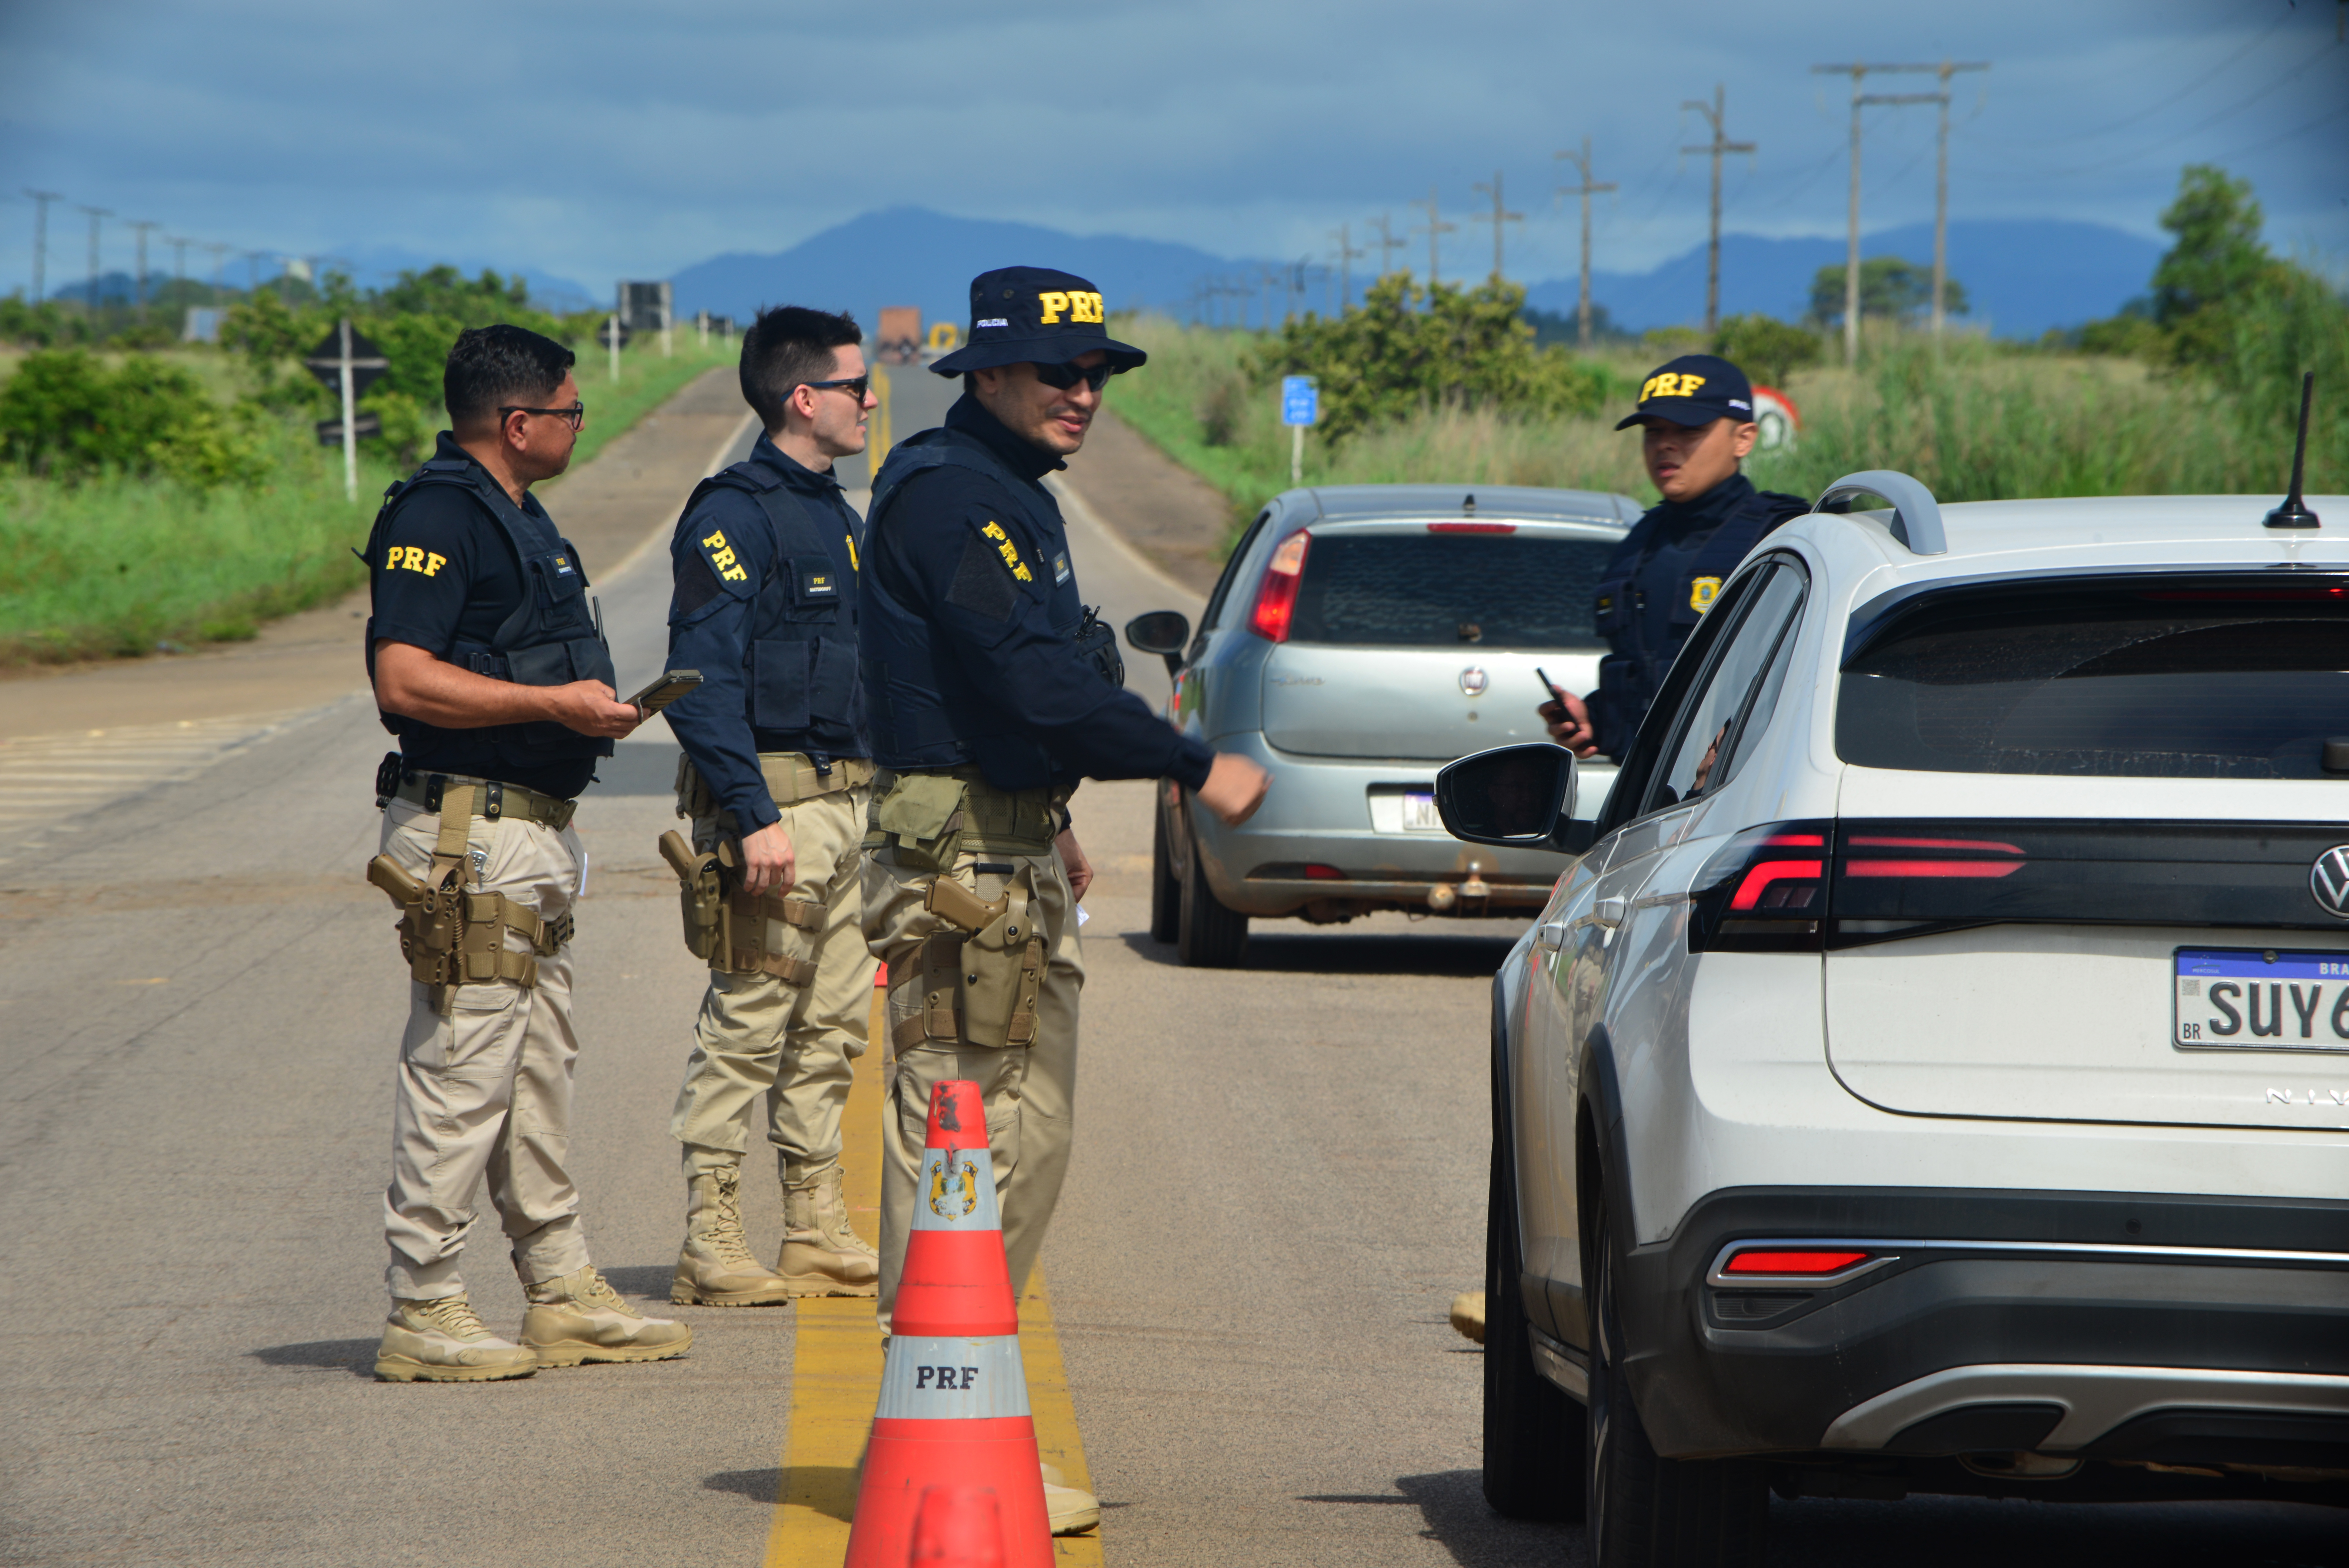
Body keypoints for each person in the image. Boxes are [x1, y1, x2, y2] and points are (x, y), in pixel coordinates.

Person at [859, 266, 1271, 1532]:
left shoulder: (1007, 499)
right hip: (961, 863)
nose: (1082, 394)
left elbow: (1018, 700)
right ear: (986, 373)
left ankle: (952, 1401)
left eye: (1093, 375)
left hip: (1003, 842)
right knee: (970, 1135)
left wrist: (1050, 823)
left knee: (1012, 1136)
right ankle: (939, 1411)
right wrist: (1196, 761)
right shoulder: (949, 497)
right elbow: (1031, 684)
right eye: (1058, 372)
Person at [364, 323, 692, 1382]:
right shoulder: (438, 514)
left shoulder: (522, 516)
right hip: (470, 831)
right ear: (519, 421)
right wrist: (553, 700)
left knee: (536, 1067)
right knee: (462, 1069)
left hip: (531, 828)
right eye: (570, 408)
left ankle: (560, 1288)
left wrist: (584, 713)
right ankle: (425, 1304)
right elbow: (404, 680)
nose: (578, 424)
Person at [660, 306, 882, 1307]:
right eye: (854, 384)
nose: (872, 398)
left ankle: (813, 1223)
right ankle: (710, 1236)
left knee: (832, 1025)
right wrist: (750, 813)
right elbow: (700, 678)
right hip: (776, 810)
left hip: (848, 808)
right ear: (804, 398)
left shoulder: (838, 513)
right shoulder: (732, 515)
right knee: (749, 1020)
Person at [1542, 354, 1810, 759]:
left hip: (1747, 800)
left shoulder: (1785, 539)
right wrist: (1593, 717)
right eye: (1653, 431)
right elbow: (1650, 680)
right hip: (1646, 801)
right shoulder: (1638, 543)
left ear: (1744, 438)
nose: (1665, 444)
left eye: (1688, 429)